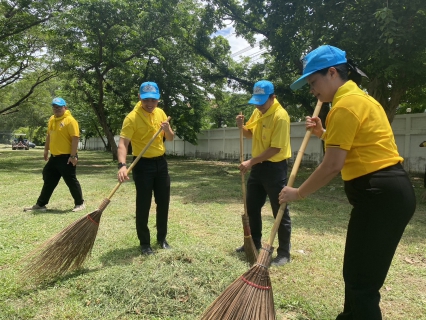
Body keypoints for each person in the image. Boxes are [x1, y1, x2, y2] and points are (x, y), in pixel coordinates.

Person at [279, 45, 416, 319]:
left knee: (362, 282)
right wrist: (323, 133)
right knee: (357, 274)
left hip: (380, 196)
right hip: (386, 194)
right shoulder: (359, 100)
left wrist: (298, 193)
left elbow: (332, 165)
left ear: (332, 73)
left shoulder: (344, 106)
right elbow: (356, 144)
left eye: (313, 82)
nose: (312, 90)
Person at [235, 80, 292, 267]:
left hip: (275, 168)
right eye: (256, 101)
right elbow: (249, 134)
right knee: (252, 207)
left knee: (279, 210)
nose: (258, 105)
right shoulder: (257, 112)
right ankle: (253, 243)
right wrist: (241, 127)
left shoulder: (280, 116)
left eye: (262, 101)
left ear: (272, 97)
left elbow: (276, 148)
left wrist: (250, 162)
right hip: (258, 167)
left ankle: (284, 252)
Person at [117, 81, 174, 255]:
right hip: (142, 165)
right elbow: (123, 143)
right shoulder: (131, 118)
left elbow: (170, 138)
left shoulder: (160, 113)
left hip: (161, 163)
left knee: (163, 202)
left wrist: (167, 129)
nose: (150, 104)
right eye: (146, 99)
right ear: (139, 97)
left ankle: (161, 238)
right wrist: (122, 165)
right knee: (143, 204)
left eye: (154, 100)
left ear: (158, 100)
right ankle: (144, 243)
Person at [24, 97, 85, 212]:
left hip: (67, 157)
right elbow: (49, 136)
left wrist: (73, 156)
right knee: (48, 178)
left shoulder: (70, 121)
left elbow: (75, 139)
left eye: (59, 107)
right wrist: (46, 150)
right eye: (54, 107)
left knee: (71, 181)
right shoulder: (52, 119)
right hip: (54, 157)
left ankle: (80, 204)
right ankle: (40, 205)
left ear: (65, 107)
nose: (56, 109)